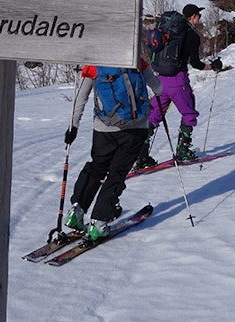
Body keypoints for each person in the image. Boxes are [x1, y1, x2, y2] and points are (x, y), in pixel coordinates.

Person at [63, 59, 162, 241]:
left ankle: (77, 210)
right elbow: (158, 88)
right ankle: (98, 221)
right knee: (117, 173)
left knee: (97, 167)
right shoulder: (135, 59)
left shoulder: (94, 63)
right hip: (136, 127)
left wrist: (73, 126)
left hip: (104, 127)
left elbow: (81, 97)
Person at [146, 3, 223, 163]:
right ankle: (182, 151)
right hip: (177, 80)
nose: (199, 19)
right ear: (193, 16)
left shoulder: (168, 30)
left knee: (154, 116)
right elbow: (196, 64)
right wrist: (212, 66)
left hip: (160, 80)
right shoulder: (191, 35)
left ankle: (141, 155)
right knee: (188, 114)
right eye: (199, 16)